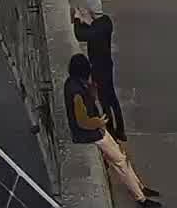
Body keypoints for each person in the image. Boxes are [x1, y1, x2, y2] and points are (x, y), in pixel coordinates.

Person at [66, 54, 161, 206]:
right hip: (90, 133)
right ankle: (141, 198)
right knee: (120, 162)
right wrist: (99, 122)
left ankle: (140, 187)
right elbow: (82, 121)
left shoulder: (72, 84)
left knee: (121, 156)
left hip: (95, 130)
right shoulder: (77, 93)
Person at [73, 0, 125, 141]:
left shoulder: (98, 28)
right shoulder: (106, 22)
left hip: (99, 68)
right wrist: (85, 19)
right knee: (113, 98)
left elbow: (81, 35)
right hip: (107, 65)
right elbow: (92, 29)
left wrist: (77, 19)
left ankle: (111, 131)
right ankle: (120, 129)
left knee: (104, 100)